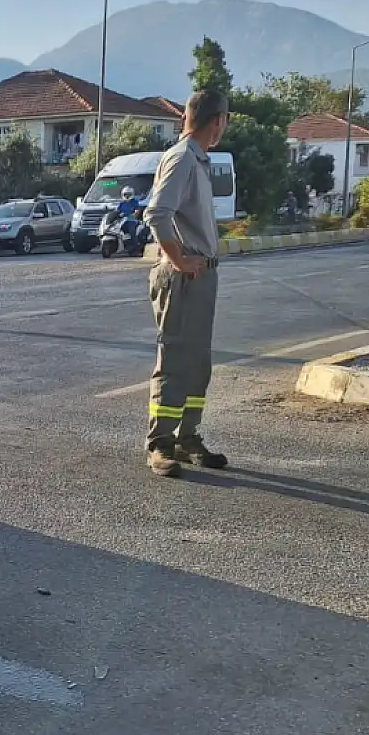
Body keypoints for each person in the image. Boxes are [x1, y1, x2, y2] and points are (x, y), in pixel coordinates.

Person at [142, 90, 230, 477]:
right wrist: (179, 258)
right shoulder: (181, 159)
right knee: (175, 360)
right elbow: (157, 214)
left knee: (197, 363)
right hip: (182, 277)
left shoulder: (199, 161)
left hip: (202, 275)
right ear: (218, 121)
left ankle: (187, 437)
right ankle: (160, 444)